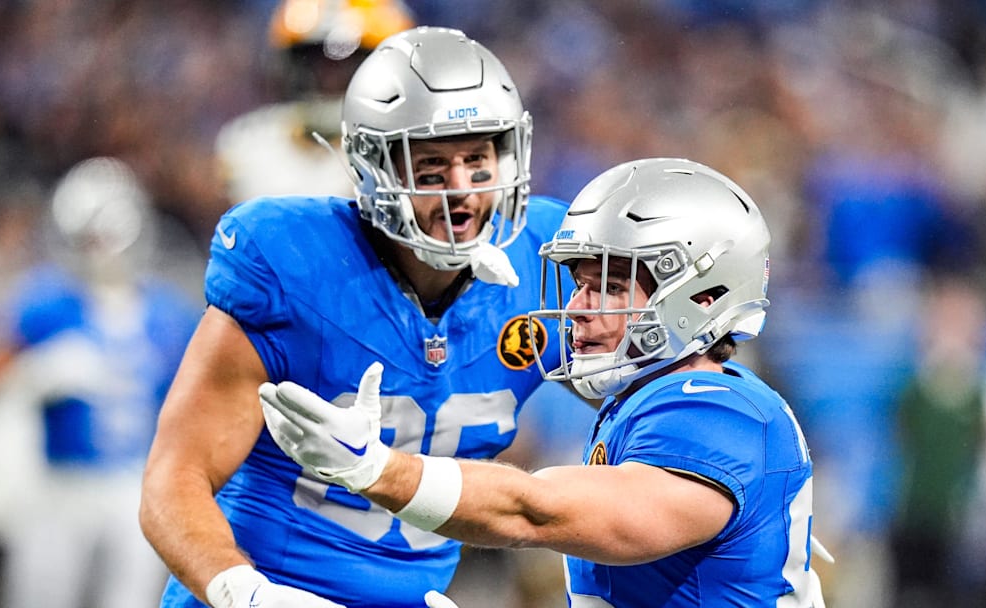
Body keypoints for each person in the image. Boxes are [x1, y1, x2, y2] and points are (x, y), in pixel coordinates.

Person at [262, 158, 830, 607]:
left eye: (606, 286)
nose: (578, 308)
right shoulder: (645, 405)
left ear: (702, 298)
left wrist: (378, 470)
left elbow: (536, 511)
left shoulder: (717, 415)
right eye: (579, 283)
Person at [139, 26, 573, 608]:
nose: (462, 192)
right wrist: (246, 593)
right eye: (431, 167)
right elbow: (174, 480)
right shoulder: (293, 262)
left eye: (478, 159)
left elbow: (653, 408)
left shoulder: (547, 258)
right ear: (373, 167)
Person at [0, 156, 200, 608]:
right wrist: (31, 377)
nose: (96, 249)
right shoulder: (44, 301)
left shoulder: (168, 314)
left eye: (103, 236)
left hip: (134, 486)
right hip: (61, 487)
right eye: (86, 238)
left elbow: (195, 408)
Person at [215, 0, 415, 203]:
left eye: (347, 64)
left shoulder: (406, 148)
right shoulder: (249, 144)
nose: (328, 79)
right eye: (314, 62)